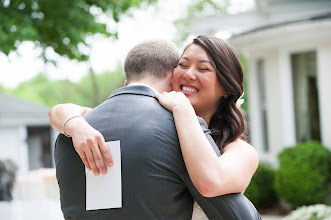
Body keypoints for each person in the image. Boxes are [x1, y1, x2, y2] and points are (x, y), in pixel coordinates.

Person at [51, 37, 261, 219]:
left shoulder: (240, 151)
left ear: (226, 87)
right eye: (183, 65)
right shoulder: (160, 124)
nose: (188, 74)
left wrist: (183, 110)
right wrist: (76, 125)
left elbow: (212, 184)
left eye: (203, 68)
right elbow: (66, 112)